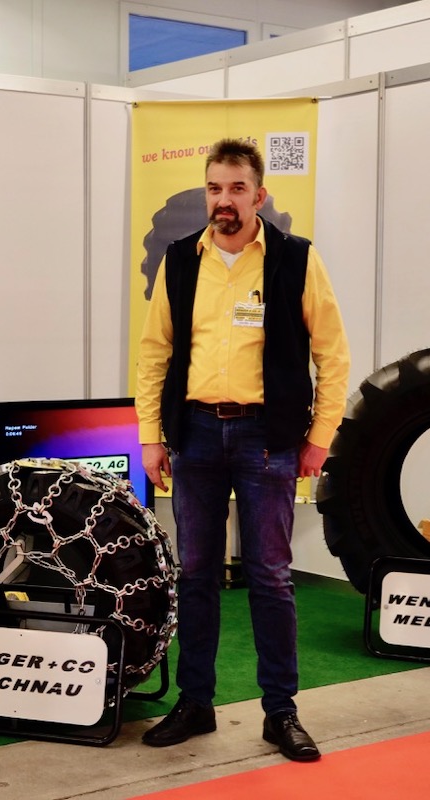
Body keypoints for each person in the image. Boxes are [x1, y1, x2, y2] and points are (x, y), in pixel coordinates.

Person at [135, 138, 350, 761]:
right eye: (214, 188)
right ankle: (195, 703)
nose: (223, 200)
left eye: (236, 188)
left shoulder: (296, 259)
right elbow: (154, 354)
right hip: (196, 436)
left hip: (267, 440)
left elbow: (332, 355)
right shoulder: (180, 261)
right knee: (195, 575)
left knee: (271, 578)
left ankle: (281, 712)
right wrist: (150, 436)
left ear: (259, 195)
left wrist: (320, 438)